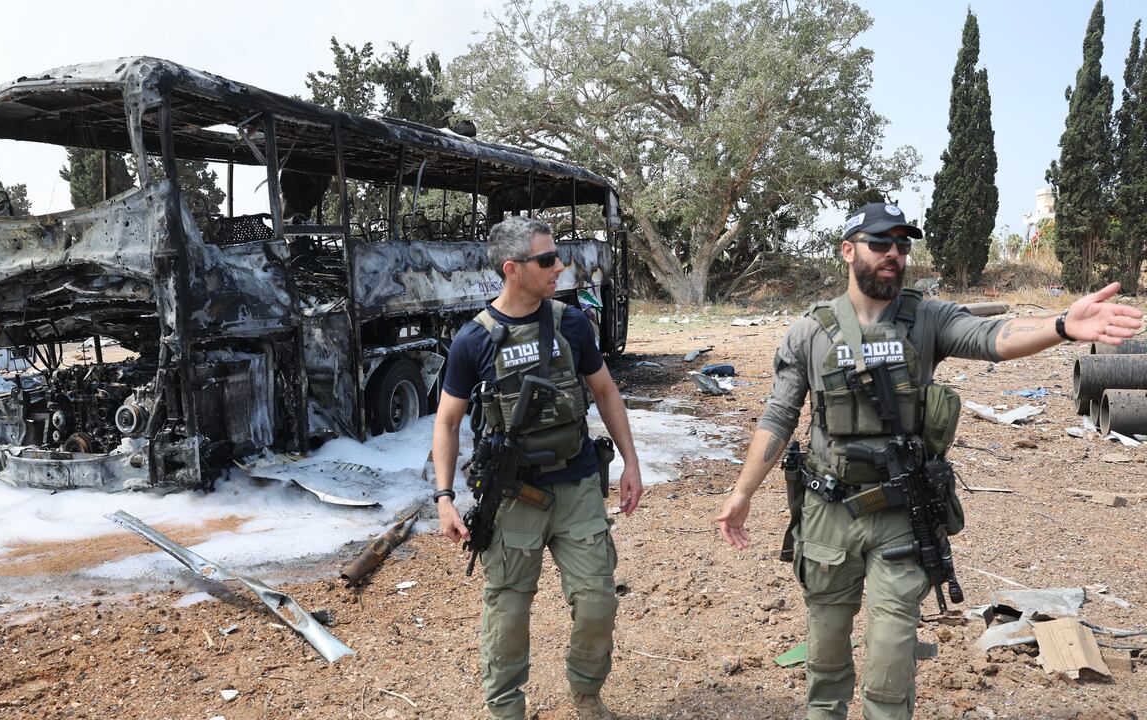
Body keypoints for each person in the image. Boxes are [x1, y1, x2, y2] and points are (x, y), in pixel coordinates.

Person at [716, 202, 1144, 720]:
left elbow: (992, 338)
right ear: (849, 250)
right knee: (826, 660)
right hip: (828, 515)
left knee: (891, 662)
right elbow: (779, 416)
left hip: (901, 516)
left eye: (902, 244)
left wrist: (1060, 324)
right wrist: (741, 495)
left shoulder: (926, 318)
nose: (894, 254)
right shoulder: (810, 331)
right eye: (881, 243)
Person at [432, 215, 643, 720]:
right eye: (547, 259)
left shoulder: (571, 323)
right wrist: (443, 498)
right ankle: (507, 710)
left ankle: (587, 693)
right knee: (507, 614)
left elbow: (605, 391)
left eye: (557, 255)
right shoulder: (472, 340)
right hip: (513, 497)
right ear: (513, 269)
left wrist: (632, 462)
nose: (559, 266)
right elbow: (447, 422)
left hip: (575, 484)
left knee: (597, 601)